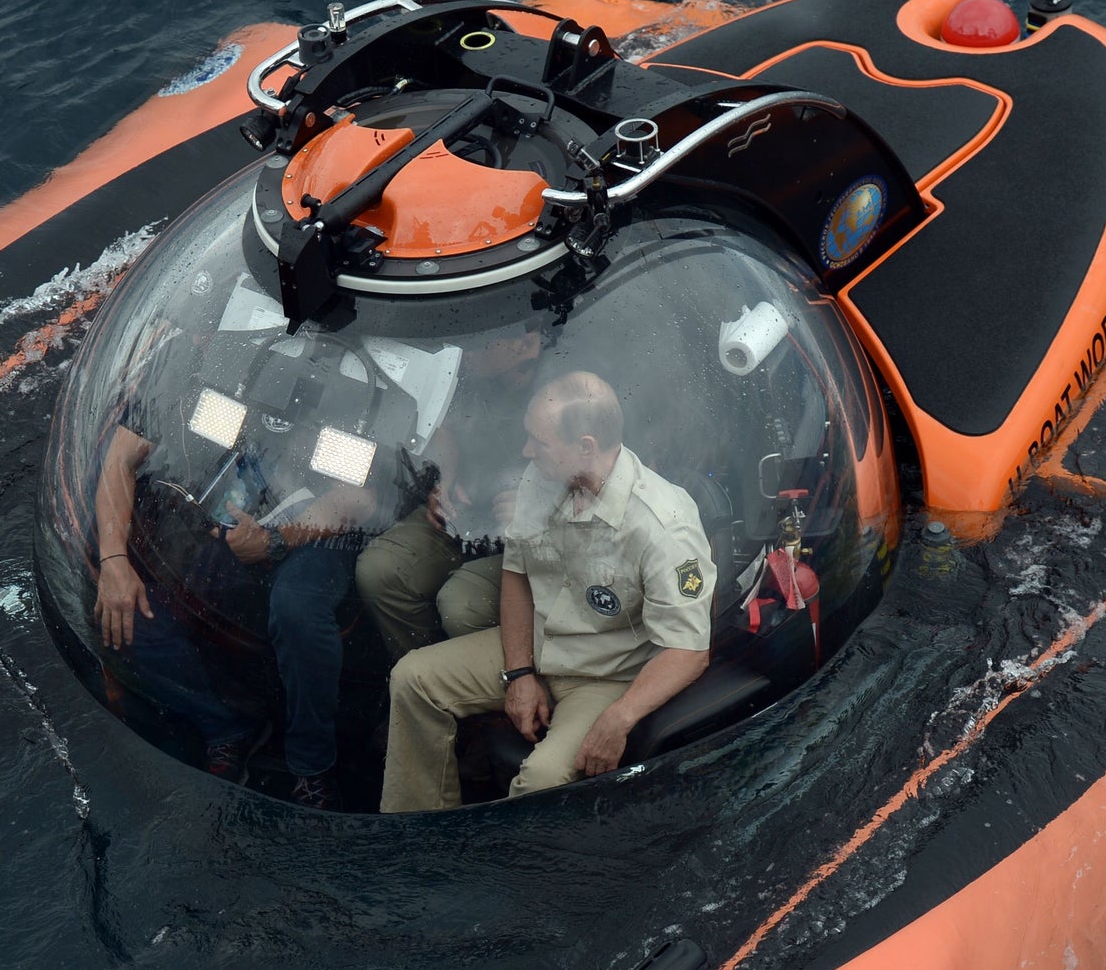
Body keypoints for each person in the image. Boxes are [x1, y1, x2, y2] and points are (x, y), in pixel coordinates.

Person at [380, 371, 713, 812]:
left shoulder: (663, 525)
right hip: (543, 643)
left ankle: (513, 873)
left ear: (586, 448)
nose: (526, 451)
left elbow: (689, 650)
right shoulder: (543, 478)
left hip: (604, 676)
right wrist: (519, 674)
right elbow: (518, 572)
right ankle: (417, 833)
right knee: (413, 679)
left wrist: (619, 718)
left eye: (538, 440)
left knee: (541, 781)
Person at [92, 422, 373, 808]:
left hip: (316, 527)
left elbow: (365, 498)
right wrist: (114, 560)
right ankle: (226, 728)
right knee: (128, 609)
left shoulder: (372, 384)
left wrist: (275, 541)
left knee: (297, 610)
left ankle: (312, 767)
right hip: (232, 500)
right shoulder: (214, 361)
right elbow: (121, 456)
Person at [355, 333, 539, 658]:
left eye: (483, 342)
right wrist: (445, 477)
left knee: (461, 604)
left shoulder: (565, 382)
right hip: (461, 513)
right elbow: (442, 426)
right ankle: (427, 671)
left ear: (525, 343)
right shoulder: (462, 372)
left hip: (532, 533)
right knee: (379, 570)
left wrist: (539, 507)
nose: (466, 350)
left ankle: (495, 686)